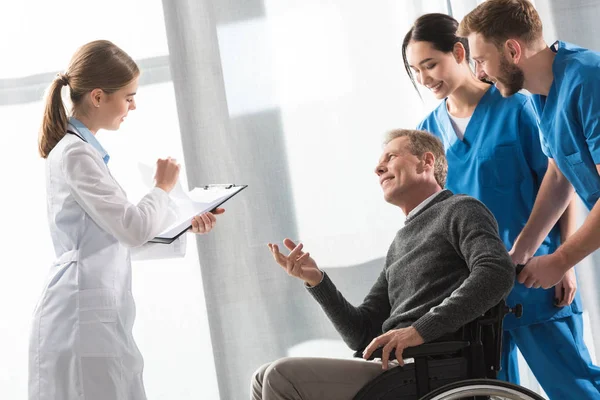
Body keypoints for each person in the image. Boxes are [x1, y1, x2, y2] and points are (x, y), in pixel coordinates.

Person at [402, 12, 594, 394]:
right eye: (415, 70)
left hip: (533, 278)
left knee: (574, 386)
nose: (424, 79)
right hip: (474, 290)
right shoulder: (427, 133)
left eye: (430, 64)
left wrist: (563, 263)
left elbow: (559, 181)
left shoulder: (521, 104)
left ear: (460, 52)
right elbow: (433, 216)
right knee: (490, 391)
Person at [251, 129, 514, 400]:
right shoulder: (400, 243)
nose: (378, 168)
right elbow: (361, 333)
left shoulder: (460, 209)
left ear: (426, 162)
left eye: (391, 157)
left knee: (279, 376)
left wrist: (419, 331)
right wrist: (317, 281)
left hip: (429, 366)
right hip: (395, 367)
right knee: (262, 377)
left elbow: (497, 272)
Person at [29, 40, 224, 400]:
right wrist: (163, 187)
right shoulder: (75, 154)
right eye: (129, 96)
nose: (133, 106)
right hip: (79, 318)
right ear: (98, 97)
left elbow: (116, 238)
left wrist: (184, 221)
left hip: (91, 313)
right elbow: (133, 229)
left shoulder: (83, 153)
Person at [457, 0, 600, 397]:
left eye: (481, 60)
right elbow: (559, 174)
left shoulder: (588, 79)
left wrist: (561, 260)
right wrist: (520, 251)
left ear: (513, 51)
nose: (478, 72)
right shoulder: (541, 93)